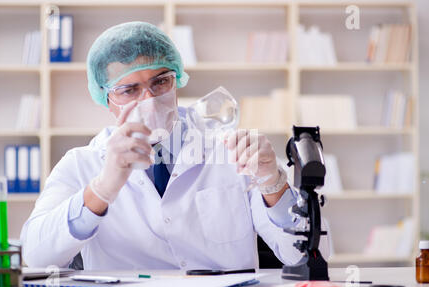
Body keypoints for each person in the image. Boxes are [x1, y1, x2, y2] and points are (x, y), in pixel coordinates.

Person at [20, 21, 331, 270]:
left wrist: (273, 184)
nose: (149, 99)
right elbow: (36, 255)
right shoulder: (81, 164)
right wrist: (100, 190)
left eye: (160, 81)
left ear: (177, 79)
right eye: (129, 89)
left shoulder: (233, 149)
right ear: (107, 99)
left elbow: (310, 256)